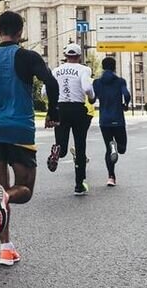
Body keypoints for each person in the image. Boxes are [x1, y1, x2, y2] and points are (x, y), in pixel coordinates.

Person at [0, 12, 59, 265]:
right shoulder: (29, 57)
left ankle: (6, 248)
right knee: (24, 190)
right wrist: (53, 110)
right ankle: (5, 198)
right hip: (19, 130)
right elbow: (51, 82)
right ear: (20, 33)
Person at [48, 43, 95, 195]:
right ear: (79, 56)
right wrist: (92, 98)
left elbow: (45, 90)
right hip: (77, 109)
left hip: (60, 108)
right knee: (80, 146)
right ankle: (79, 184)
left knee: (62, 143)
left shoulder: (56, 70)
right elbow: (87, 88)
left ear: (66, 56)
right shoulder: (84, 69)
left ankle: (57, 151)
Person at [92, 56, 131, 187]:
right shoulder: (120, 81)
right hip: (118, 120)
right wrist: (126, 104)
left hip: (104, 121)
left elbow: (92, 99)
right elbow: (126, 95)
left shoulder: (97, 82)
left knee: (108, 149)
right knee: (122, 148)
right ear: (114, 67)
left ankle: (111, 177)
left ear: (103, 67)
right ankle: (116, 147)